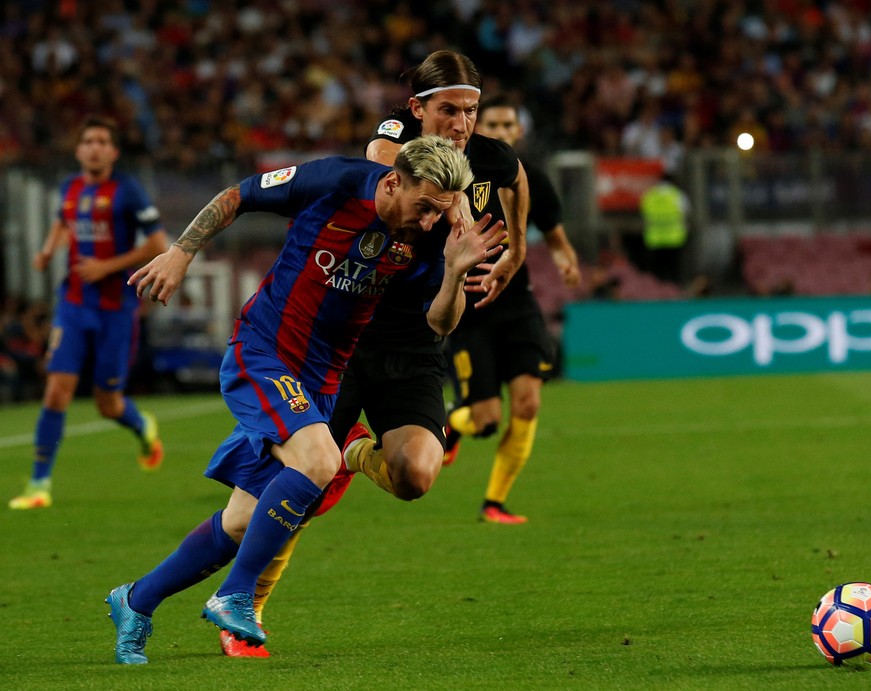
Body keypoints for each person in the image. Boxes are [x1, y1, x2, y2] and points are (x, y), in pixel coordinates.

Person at [106, 134, 504, 664]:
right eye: (424, 206)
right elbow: (239, 194)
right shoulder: (335, 182)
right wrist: (181, 251)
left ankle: (135, 600)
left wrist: (455, 273)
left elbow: (438, 324)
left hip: (323, 380)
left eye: (439, 211)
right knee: (320, 459)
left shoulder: (430, 236)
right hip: (265, 352)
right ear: (392, 182)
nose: (429, 221)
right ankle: (236, 595)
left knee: (243, 520)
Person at [218, 49, 532, 658]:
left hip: (415, 342)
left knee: (415, 477)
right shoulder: (396, 146)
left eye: (472, 111)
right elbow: (381, 175)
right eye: (450, 110)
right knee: (296, 491)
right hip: (347, 337)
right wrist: (456, 205)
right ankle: (247, 613)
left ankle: (358, 452)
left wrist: (516, 251)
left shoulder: (492, 156)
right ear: (419, 108)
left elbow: (517, 182)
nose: (463, 123)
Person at [8, 115, 169, 511]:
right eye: (88, 141)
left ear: (113, 151)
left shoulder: (128, 191)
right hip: (74, 305)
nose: (94, 147)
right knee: (56, 389)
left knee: (107, 403)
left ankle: (141, 425)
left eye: (102, 141)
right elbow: (65, 222)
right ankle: (39, 484)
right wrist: (48, 250)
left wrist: (107, 266)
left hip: (116, 310)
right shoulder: (70, 187)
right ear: (79, 150)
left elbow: (158, 243)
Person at [444, 94, 581, 524]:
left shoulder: (531, 179)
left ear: (519, 131)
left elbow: (554, 233)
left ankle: (494, 503)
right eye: (494, 125)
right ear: (475, 127)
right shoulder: (452, 173)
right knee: (485, 419)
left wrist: (564, 258)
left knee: (528, 404)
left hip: (517, 301)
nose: (502, 132)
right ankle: (452, 423)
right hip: (468, 307)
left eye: (509, 125)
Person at [636, 169, 690, 284]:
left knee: (657, 271)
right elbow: (686, 211)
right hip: (674, 237)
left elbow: (642, 212)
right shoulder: (677, 194)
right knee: (674, 270)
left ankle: (656, 293)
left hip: (655, 238)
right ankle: (675, 293)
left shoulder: (649, 195)